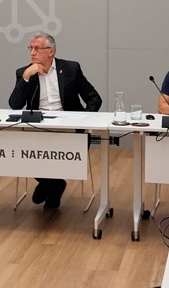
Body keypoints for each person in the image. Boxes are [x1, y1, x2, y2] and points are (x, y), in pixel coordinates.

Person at [8, 32, 101, 210]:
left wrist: (83, 120)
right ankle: (54, 184)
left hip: (68, 129)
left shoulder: (71, 69)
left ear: (51, 51)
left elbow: (94, 98)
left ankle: (49, 185)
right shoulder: (24, 72)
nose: (32, 53)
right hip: (38, 128)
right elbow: (14, 105)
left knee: (61, 155)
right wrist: (26, 77)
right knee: (22, 153)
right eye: (30, 48)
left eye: (37, 48)